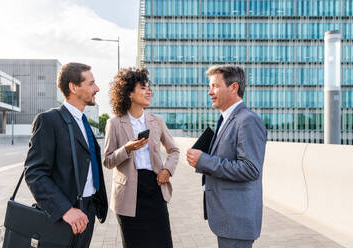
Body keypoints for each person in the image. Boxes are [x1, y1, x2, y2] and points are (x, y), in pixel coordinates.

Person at [25, 62, 108, 248]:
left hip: (87, 211)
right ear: (73, 87)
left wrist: (94, 206)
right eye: (91, 83)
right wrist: (66, 210)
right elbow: (34, 173)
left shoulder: (83, 121)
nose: (97, 88)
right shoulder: (49, 120)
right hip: (64, 217)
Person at [186, 65, 267, 248]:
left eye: (215, 86)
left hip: (237, 221)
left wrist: (204, 160)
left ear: (233, 87)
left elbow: (250, 169)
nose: (210, 92)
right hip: (228, 219)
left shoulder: (247, 120)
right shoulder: (225, 119)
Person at [103, 67, 179, 248]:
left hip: (155, 189)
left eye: (148, 88)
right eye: (143, 88)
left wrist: (167, 169)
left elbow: (174, 150)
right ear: (129, 93)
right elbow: (107, 160)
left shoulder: (157, 121)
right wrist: (126, 149)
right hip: (128, 195)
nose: (148, 91)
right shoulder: (114, 123)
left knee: (163, 243)